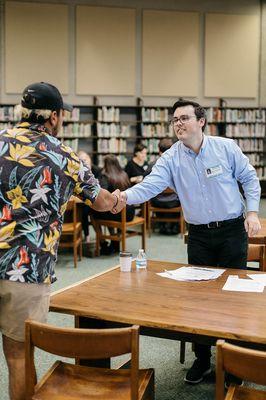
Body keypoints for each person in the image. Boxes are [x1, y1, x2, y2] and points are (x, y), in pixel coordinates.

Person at [115, 99, 261, 385]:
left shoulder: (226, 148)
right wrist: (122, 197)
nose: (178, 124)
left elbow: (250, 178)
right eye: (175, 120)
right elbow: (150, 185)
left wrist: (253, 212)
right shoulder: (171, 158)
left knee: (234, 299)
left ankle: (234, 361)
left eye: (184, 118)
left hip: (232, 230)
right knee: (198, 301)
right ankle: (203, 360)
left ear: (201, 121)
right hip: (198, 235)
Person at [0, 82, 120, 400]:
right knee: (18, 358)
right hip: (26, 270)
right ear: (53, 117)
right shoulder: (64, 156)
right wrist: (120, 198)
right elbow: (101, 202)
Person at [91, 154, 135, 254]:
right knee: (109, 208)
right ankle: (115, 238)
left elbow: (103, 197)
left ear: (106, 165)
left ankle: (103, 243)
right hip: (129, 213)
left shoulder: (104, 176)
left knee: (94, 212)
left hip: (116, 211)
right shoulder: (124, 174)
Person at [149, 138, 181, 234]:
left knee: (155, 195)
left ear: (159, 150)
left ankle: (162, 225)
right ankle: (174, 226)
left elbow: (146, 181)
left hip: (157, 202)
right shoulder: (179, 164)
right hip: (174, 202)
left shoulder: (152, 165)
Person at [77, 151, 101, 243]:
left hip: (97, 197)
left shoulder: (97, 170)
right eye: (81, 160)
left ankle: (91, 235)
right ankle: (86, 235)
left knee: (86, 210)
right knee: (83, 211)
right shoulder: (78, 171)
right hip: (83, 197)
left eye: (85, 159)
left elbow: (100, 185)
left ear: (90, 159)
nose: (84, 162)